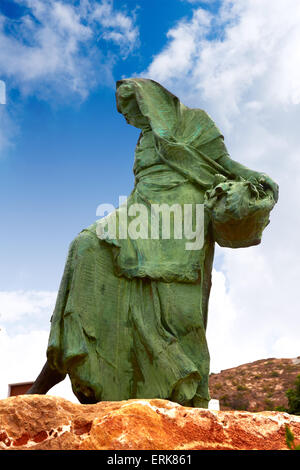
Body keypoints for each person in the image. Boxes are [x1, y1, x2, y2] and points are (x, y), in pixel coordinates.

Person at [27, 79, 278, 406]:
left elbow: (226, 166)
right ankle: (74, 361)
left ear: (151, 100)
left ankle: (172, 384)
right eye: (124, 111)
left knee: (170, 307)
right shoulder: (145, 137)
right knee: (86, 245)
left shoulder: (196, 124)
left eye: (131, 106)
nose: (128, 116)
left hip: (183, 214)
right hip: (141, 208)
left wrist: (259, 179)